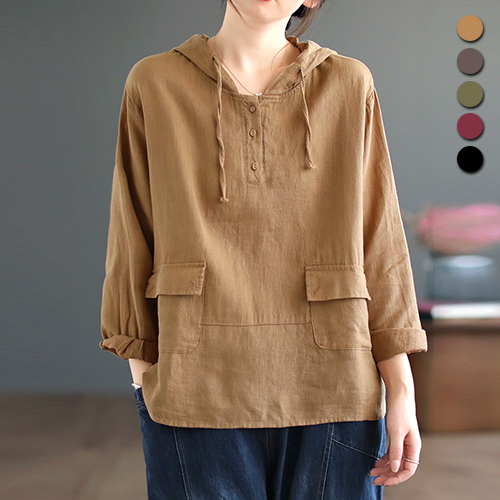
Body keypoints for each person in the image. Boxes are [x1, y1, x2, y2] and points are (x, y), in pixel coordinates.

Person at [99, 1, 428, 498]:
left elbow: (380, 239)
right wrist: (143, 378)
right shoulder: (154, 81)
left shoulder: (348, 82)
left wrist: (401, 390)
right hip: (195, 383)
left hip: (336, 383)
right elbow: (131, 230)